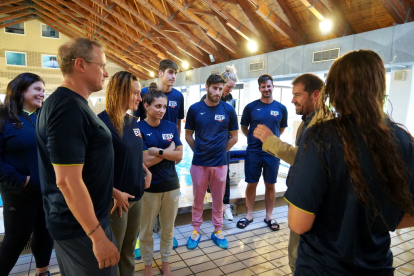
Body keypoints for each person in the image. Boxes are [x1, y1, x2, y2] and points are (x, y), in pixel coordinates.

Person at [285, 50, 414, 275]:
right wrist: (371, 222)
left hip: (323, 267)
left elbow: (299, 223)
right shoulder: (403, 140)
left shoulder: (322, 136)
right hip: (377, 265)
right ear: (379, 88)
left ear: (335, 91)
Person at [36, 38, 119, 276]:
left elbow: (82, 167)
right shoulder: (67, 109)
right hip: (80, 228)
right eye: (102, 65)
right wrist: (97, 237)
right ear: (81, 65)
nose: (105, 73)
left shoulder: (68, 104)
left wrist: (111, 191)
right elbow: (67, 182)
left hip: (81, 221)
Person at [253, 73, 325, 273]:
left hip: (309, 200)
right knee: (297, 252)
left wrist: (271, 141)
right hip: (302, 195)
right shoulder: (308, 120)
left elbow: (303, 157)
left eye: (297, 95)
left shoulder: (322, 124)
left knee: (299, 255)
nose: (293, 99)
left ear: (315, 95)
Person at [97, 71, 151, 276]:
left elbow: (135, 155)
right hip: (116, 202)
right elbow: (90, 171)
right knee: (114, 253)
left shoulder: (133, 122)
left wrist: (146, 172)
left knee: (129, 251)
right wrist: (114, 193)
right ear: (120, 93)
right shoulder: (101, 125)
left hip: (136, 197)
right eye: (135, 93)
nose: (140, 98)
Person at [0, 73, 53, 276]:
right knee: (15, 240)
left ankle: (43, 272)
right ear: (21, 90)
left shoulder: (41, 118)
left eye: (43, 89)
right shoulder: (4, 118)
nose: (42, 93)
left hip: (45, 192)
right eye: (37, 89)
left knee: (44, 233)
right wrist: (21, 180)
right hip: (19, 194)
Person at [185, 75, 239, 250]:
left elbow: (235, 137)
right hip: (199, 163)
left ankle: (218, 230)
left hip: (220, 164)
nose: (218, 92)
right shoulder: (194, 109)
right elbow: (188, 135)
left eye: (220, 88)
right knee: (198, 199)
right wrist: (199, 151)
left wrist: (220, 152)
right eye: (214, 88)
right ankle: (195, 230)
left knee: (218, 199)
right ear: (207, 87)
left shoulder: (228, 110)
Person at [138, 83, 183, 276]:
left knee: (168, 229)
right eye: (158, 106)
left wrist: (161, 151)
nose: (162, 110)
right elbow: (143, 160)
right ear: (146, 106)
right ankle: (148, 265)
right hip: (148, 189)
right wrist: (169, 151)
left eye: (164, 107)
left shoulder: (171, 126)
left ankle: (165, 263)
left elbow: (180, 155)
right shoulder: (137, 127)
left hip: (171, 185)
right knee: (146, 231)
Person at [237, 74, 287, 231]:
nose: (266, 89)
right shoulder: (251, 107)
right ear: (259, 88)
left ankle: (269, 216)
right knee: (251, 183)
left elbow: (281, 129)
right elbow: (244, 127)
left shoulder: (281, 108)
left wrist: (271, 141)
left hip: (272, 153)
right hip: (253, 151)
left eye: (269, 86)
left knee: (270, 184)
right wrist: (253, 138)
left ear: (273, 86)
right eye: (263, 86)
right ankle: (249, 215)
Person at [200, 65, 238, 221]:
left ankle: (226, 204)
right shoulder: (206, 99)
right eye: (228, 87)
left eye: (231, 88)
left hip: (223, 145)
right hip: (208, 145)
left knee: (225, 175)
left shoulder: (230, 100)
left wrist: (224, 148)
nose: (229, 90)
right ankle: (210, 195)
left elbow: (232, 126)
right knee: (207, 173)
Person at [135, 59, 183, 136]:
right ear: (160, 73)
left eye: (175, 73)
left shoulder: (178, 96)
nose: (173, 76)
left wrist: (177, 142)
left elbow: (178, 123)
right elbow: (134, 120)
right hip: (148, 141)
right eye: (170, 72)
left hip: (169, 143)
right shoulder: (144, 93)